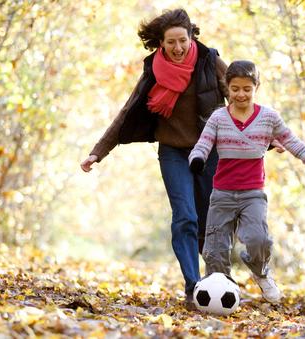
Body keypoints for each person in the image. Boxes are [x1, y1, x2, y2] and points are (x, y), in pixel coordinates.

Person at [80, 9, 228, 308]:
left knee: (210, 221)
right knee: (185, 216)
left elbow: (239, 99)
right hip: (173, 152)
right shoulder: (154, 70)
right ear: (160, 43)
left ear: (191, 37)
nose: (177, 48)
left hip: (209, 151)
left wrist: (269, 136)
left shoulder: (210, 61)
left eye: (182, 41)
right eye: (170, 42)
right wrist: (98, 151)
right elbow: (128, 110)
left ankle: (219, 281)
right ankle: (193, 285)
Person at [188, 60, 305, 304]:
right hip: (222, 194)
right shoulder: (218, 118)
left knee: (258, 239)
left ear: (256, 87)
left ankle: (261, 273)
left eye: (247, 89)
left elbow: (294, 144)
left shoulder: (269, 118)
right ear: (227, 88)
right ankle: (220, 293)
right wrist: (197, 159)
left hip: (252, 194)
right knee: (215, 249)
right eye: (235, 88)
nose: (241, 94)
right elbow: (203, 144)